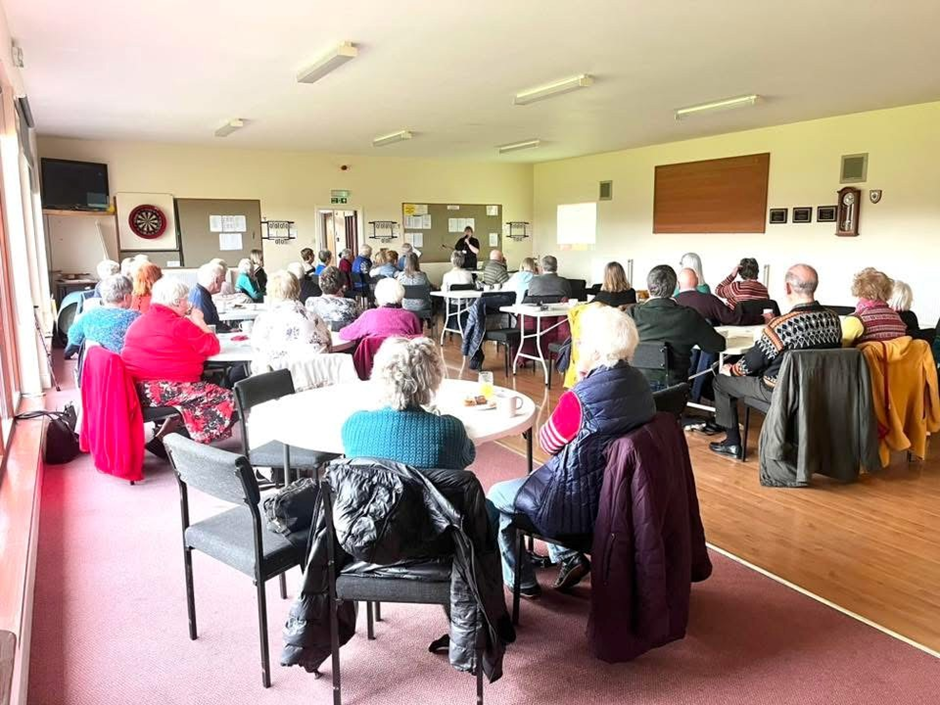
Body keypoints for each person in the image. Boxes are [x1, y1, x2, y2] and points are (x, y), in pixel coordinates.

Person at [487, 305, 656, 597]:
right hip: (621, 498)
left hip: (575, 509)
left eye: (582, 341)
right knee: (548, 477)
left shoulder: (580, 397)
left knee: (496, 496)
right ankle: (567, 556)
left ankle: (521, 580)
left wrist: (578, 386)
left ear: (597, 349)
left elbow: (547, 442)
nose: (578, 345)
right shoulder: (641, 383)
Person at [709, 264, 842, 459]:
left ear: (788, 288)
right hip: (819, 388)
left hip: (779, 391)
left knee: (720, 381)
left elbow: (750, 364)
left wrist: (731, 370)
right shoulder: (833, 319)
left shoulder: (781, 325)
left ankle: (732, 443)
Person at [121, 277, 236, 445]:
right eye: (185, 299)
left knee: (196, 395)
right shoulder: (179, 325)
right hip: (165, 389)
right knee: (228, 398)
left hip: (135, 389)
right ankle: (182, 443)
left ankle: (162, 439)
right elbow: (212, 346)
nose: (188, 304)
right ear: (176, 301)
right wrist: (199, 320)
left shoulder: (138, 322)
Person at [341, 337, 475, 469]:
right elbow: (467, 457)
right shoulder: (450, 429)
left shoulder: (353, 425)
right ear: (433, 378)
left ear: (379, 374)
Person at [627, 265, 726, 387]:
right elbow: (718, 345)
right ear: (676, 287)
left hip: (636, 388)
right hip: (675, 390)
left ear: (648, 288)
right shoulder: (689, 316)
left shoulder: (631, 314)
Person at [250, 270, 331, 373]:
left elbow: (258, 353)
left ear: (270, 293)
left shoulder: (263, 320)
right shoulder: (315, 318)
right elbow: (328, 346)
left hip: (279, 380)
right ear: (298, 290)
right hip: (316, 377)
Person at [67, 274, 139, 353]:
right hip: (128, 360)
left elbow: (74, 337)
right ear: (127, 297)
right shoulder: (136, 318)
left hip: (97, 360)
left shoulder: (90, 315)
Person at [338, 278, 422, 341]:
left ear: (377, 296)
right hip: (403, 358)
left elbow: (345, 334)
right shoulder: (411, 317)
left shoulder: (369, 316)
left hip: (373, 359)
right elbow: (418, 343)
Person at [841, 267, 908, 346]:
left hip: (867, 354)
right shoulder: (897, 318)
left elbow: (838, 349)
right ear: (888, 291)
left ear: (858, 289)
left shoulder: (856, 320)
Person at [675, 268, 743, 325]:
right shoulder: (710, 300)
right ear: (697, 281)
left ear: (678, 283)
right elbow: (732, 318)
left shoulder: (671, 304)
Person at [307, 265, 360, 331]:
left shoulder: (310, 303)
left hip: (322, 336)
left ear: (320, 283)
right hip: (344, 336)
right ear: (341, 284)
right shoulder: (351, 304)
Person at [188, 262, 226, 329]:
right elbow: (207, 328)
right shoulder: (201, 298)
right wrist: (229, 331)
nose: (224, 280)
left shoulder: (198, 291)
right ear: (216, 280)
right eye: (223, 277)